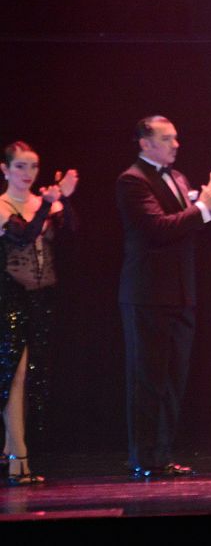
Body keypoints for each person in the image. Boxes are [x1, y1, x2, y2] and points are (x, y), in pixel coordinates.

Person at [117, 116, 211, 479]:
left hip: (181, 293)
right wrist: (201, 207)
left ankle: (161, 454)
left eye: (176, 138)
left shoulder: (178, 178)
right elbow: (158, 229)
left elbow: (197, 228)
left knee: (172, 380)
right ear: (145, 143)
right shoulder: (132, 181)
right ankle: (144, 457)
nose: (176, 144)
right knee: (148, 380)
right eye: (167, 139)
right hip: (147, 294)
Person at [0, 142, 78, 485]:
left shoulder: (41, 202)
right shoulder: (2, 206)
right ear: (5, 169)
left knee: (30, 374)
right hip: (9, 297)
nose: (27, 173)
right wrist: (49, 204)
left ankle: (9, 447)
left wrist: (66, 198)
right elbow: (23, 237)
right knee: (14, 372)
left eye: (32, 166)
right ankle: (19, 457)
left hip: (42, 297)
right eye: (19, 166)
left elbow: (72, 229)